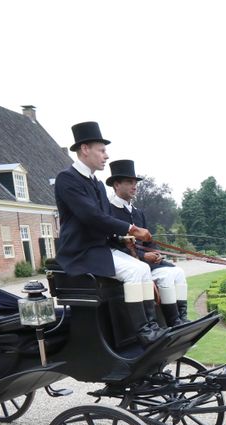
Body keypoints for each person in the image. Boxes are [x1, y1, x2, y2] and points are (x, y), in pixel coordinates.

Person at [53, 122, 166, 347]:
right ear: (85, 149)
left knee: (142, 268)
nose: (106, 155)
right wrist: (132, 229)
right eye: (102, 150)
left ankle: (152, 326)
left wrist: (122, 238)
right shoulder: (67, 179)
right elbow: (91, 217)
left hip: (99, 249)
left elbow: (102, 224)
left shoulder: (96, 183)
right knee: (136, 271)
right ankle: (143, 333)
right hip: (80, 252)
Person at [106, 159, 190, 327]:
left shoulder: (138, 213)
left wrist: (156, 253)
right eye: (129, 182)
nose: (134, 186)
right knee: (166, 276)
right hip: (130, 264)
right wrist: (145, 256)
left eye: (135, 182)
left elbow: (148, 240)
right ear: (116, 185)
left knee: (178, 273)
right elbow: (115, 245)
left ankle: (182, 318)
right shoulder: (109, 211)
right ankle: (173, 322)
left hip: (147, 263)